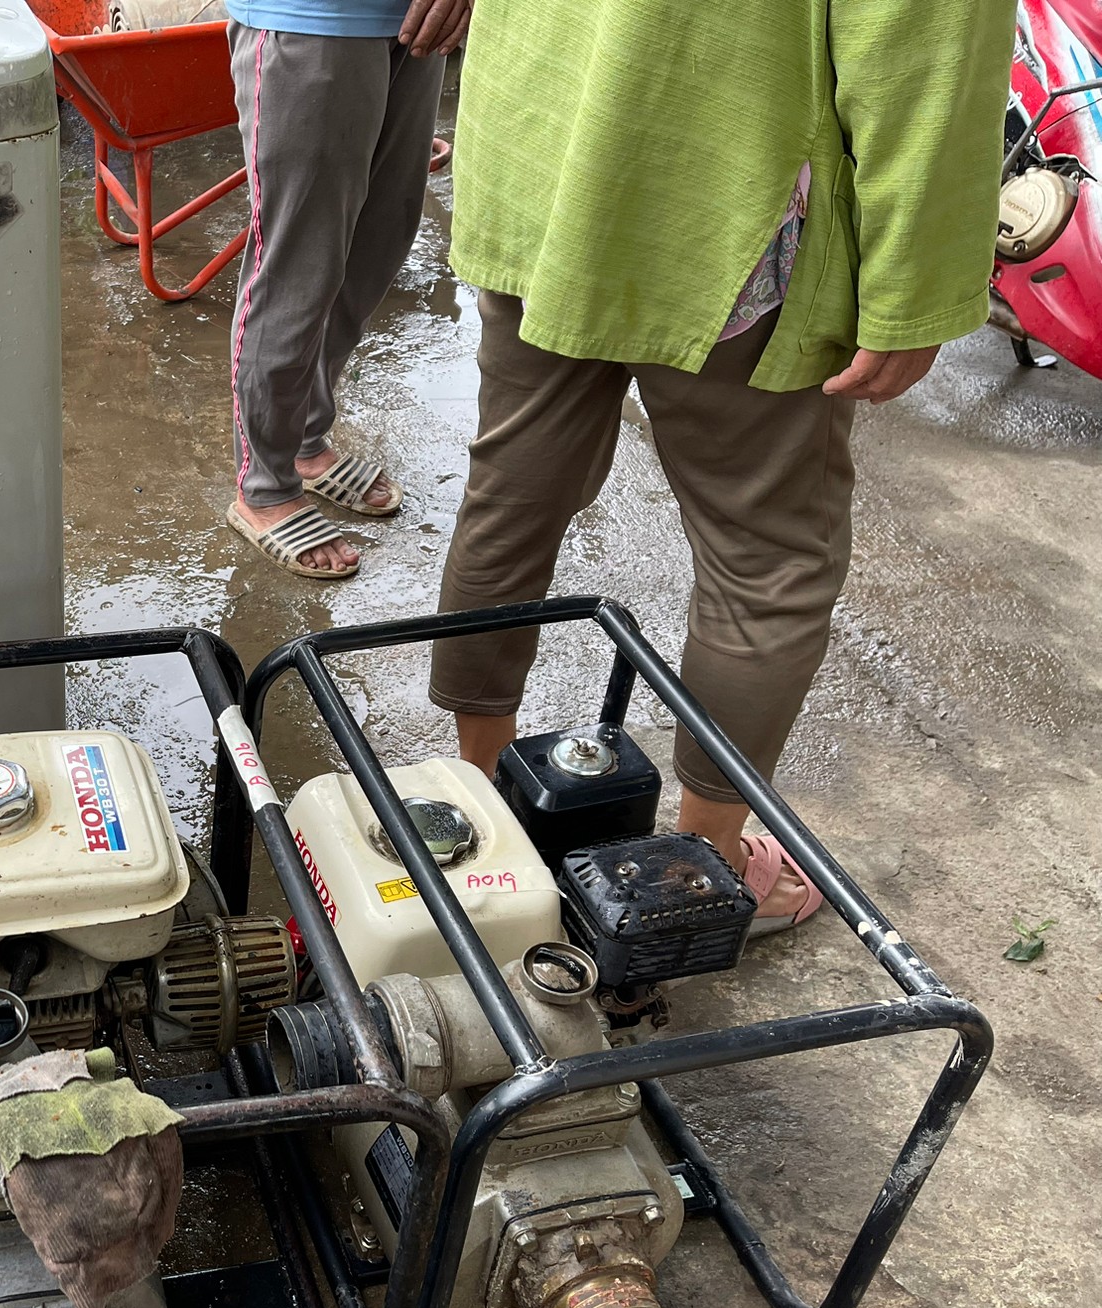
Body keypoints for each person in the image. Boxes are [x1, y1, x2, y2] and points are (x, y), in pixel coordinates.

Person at [428, 0, 1011, 928]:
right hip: (723, 197)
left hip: (543, 148)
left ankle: (479, 808)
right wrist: (918, 289)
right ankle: (694, 873)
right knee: (768, 557)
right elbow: (923, 57)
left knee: (515, 487)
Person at [221, 0, 472, 579]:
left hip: (413, 25)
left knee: (371, 256)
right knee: (297, 271)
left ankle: (306, 442)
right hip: (311, 18)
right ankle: (265, 487)